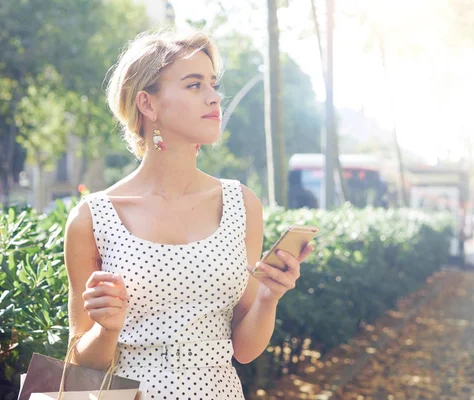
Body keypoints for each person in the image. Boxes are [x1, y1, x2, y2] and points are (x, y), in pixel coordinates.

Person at [63, 31, 314, 399]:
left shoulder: (242, 204)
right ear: (147, 105)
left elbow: (244, 350)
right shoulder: (93, 216)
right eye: (194, 85)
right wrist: (107, 329)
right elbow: (77, 367)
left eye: (213, 85)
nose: (214, 97)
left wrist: (268, 297)